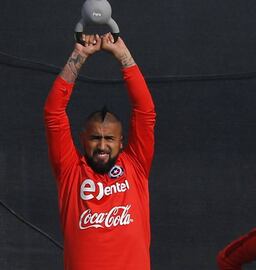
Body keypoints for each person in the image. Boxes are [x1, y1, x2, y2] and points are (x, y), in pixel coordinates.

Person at [43, 33, 156, 270]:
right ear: (83, 140)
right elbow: (53, 112)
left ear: (122, 141)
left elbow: (145, 110)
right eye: (95, 138)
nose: (102, 145)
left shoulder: (136, 165)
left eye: (109, 138)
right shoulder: (70, 171)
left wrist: (123, 56)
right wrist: (79, 56)